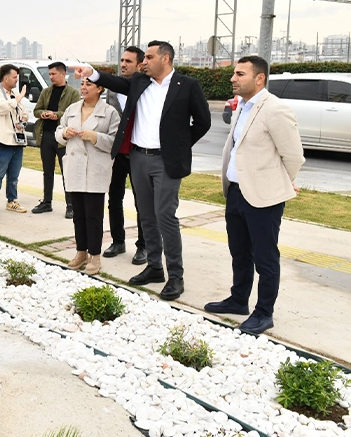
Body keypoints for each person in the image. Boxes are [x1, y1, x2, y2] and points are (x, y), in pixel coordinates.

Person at [75, 40, 211, 301]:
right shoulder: (139, 81)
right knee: (146, 215)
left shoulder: (187, 86)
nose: (144, 62)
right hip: (138, 157)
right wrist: (90, 73)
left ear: (166, 59)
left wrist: (178, 147)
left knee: (165, 216)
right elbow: (115, 82)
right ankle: (154, 267)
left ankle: (176, 276)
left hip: (166, 162)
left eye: (149, 57)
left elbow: (203, 122)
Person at [205, 55, 305, 335]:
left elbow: (294, 156)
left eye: (239, 74)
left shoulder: (275, 109)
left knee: (265, 258)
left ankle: (264, 313)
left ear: (259, 78)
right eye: (234, 73)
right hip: (236, 192)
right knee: (239, 252)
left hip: (264, 198)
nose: (232, 78)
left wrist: (282, 183)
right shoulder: (243, 107)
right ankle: (239, 300)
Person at [56, 79, 119, 275]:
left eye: (89, 84)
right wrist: (65, 132)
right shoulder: (72, 109)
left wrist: (95, 137)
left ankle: (95, 256)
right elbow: (58, 133)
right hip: (75, 167)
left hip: (95, 169)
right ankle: (80, 252)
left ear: (100, 88)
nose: (83, 87)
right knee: (79, 215)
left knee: (93, 216)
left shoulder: (109, 112)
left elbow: (115, 142)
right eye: (82, 84)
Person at [103, 46, 147, 265]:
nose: (123, 64)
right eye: (121, 60)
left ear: (140, 65)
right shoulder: (112, 89)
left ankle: (143, 246)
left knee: (142, 203)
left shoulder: (146, 87)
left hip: (139, 153)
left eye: (128, 61)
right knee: (114, 199)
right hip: (117, 153)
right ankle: (118, 241)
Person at [31, 61, 81, 219]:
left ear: (62, 74)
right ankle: (47, 202)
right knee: (47, 171)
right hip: (46, 135)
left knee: (67, 172)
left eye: (53, 74)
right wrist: (44, 113)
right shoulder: (46, 92)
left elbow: (74, 112)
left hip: (64, 138)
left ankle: (71, 206)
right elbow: (36, 110)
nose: (51, 77)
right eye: (49, 74)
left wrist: (57, 115)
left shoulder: (73, 93)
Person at [0, 64, 29, 215]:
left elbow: (23, 111)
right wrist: (19, 97)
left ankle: (12, 201)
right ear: (6, 78)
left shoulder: (14, 94)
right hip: (2, 141)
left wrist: (23, 119)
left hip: (17, 141)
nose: (17, 80)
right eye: (14, 77)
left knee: (14, 175)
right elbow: (4, 107)